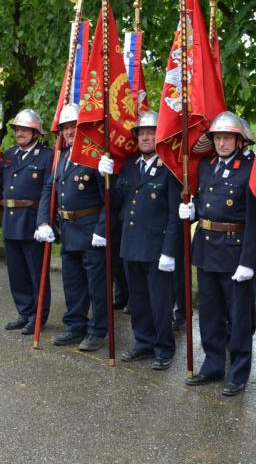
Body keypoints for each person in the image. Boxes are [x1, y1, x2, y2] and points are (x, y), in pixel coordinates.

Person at [179, 111, 256, 396]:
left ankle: (238, 371)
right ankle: (213, 363)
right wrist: (192, 213)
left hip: (235, 251)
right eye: (218, 137)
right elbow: (206, 202)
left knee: (239, 315)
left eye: (228, 137)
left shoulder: (251, 169)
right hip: (206, 247)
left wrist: (249, 261)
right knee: (209, 312)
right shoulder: (207, 167)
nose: (222, 142)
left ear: (240, 141)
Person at [99, 110, 181, 370]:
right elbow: (116, 201)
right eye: (141, 133)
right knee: (138, 300)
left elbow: (174, 215)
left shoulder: (169, 168)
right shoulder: (130, 167)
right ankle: (143, 342)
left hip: (157, 248)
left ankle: (164, 348)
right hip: (130, 244)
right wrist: (106, 179)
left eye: (150, 132)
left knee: (160, 303)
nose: (145, 137)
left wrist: (169, 251)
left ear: (159, 136)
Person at [36, 103, 108, 352]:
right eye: (65, 128)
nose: (68, 132)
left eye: (73, 127)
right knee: (72, 281)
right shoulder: (62, 156)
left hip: (91, 229)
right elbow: (49, 188)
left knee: (96, 284)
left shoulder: (95, 155)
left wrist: (103, 228)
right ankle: (75, 324)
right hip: (67, 228)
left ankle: (98, 330)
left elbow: (109, 198)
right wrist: (43, 220)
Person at [0, 109, 53, 334]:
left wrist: (44, 221)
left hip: (32, 221)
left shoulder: (47, 156)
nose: (20, 133)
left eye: (25, 129)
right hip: (11, 220)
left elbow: (47, 191)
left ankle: (38, 316)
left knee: (35, 272)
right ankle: (24, 312)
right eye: (18, 129)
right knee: (17, 272)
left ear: (35, 132)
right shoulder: (10, 154)